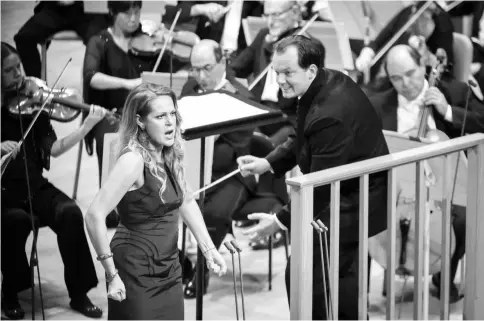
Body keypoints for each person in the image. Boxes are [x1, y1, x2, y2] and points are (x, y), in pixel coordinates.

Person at [237, 35, 389, 320]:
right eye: (276, 71)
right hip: (342, 193)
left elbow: (318, 184)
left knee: (308, 276)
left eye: (287, 73)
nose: (280, 80)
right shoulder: (322, 84)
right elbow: (303, 137)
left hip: (354, 201)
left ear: (311, 70)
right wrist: (267, 163)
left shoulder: (330, 112)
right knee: (336, 278)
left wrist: (279, 221)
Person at [84, 83, 227, 320]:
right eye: (160, 116)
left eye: (172, 113)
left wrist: (208, 247)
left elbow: (185, 198)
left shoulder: (167, 151)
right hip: (134, 269)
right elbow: (93, 215)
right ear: (140, 121)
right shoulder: (133, 161)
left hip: (169, 266)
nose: (170, 122)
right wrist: (111, 273)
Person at [369, 44, 484, 302]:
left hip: (447, 186)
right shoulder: (378, 103)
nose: (405, 83)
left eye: (410, 73)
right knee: (367, 213)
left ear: (423, 66)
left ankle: (443, 275)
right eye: (396, 78)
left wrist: (447, 111)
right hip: (397, 187)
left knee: (464, 219)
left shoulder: (454, 92)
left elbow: (482, 121)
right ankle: (386, 272)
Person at [1, 42, 105, 320]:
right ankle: (10, 291)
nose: (18, 75)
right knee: (15, 221)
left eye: (18, 67)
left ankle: (79, 293)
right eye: (8, 71)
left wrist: (86, 127)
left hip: (34, 185)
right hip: (4, 191)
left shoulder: (34, 104)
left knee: (70, 213)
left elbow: (54, 148)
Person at [180, 39, 258, 298]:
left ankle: (203, 270)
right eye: (195, 69)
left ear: (222, 62)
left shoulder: (241, 96)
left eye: (206, 68)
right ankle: (178, 263)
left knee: (213, 212)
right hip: (192, 170)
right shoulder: (189, 88)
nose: (200, 76)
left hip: (231, 175)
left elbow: (242, 144)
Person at [229, 0, 325, 146]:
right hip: (260, 114)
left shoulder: (310, 46)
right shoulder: (263, 37)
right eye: (266, 15)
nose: (270, 22)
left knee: (266, 147)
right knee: (235, 137)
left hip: (288, 119)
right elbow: (236, 68)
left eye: (276, 15)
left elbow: (310, 96)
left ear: (294, 11)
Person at [355, 2, 455, 91]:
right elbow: (382, 37)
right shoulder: (411, 9)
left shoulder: (441, 20)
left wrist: (425, 54)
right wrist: (368, 51)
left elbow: (444, 66)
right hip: (380, 72)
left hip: (400, 82)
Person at [14, 1, 109, 79]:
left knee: (100, 41)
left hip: (87, 10)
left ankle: (101, 92)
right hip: (54, 9)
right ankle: (38, 88)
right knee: (23, 38)